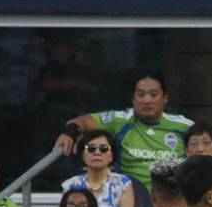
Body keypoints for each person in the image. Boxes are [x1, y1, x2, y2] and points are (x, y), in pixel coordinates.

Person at [54, 71, 192, 190]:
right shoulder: (120, 120)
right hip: (131, 200)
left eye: (153, 94)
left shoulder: (184, 126)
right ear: (133, 99)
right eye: (141, 94)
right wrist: (70, 133)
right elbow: (83, 121)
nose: (147, 100)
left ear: (165, 98)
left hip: (173, 201)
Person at [62, 129, 134, 207]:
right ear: (83, 156)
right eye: (91, 148)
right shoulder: (70, 185)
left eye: (104, 148)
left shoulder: (123, 184)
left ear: (111, 156)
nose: (97, 152)